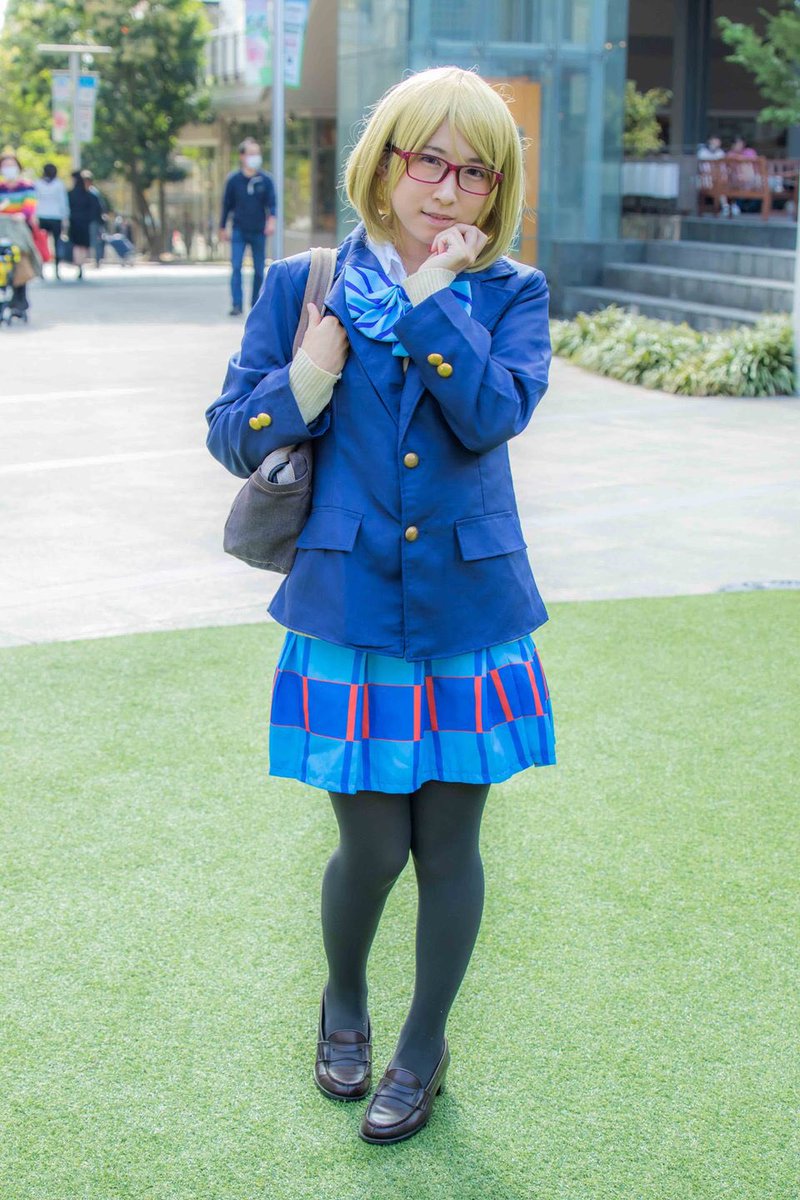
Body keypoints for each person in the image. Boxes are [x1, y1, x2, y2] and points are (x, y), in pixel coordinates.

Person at [206, 66, 556, 1146]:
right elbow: (231, 434)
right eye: (428, 159)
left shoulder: (510, 293)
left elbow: (491, 415)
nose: (447, 187)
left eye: (474, 172)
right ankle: (344, 999)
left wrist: (432, 297)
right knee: (370, 851)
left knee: (449, 849)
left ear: (496, 191)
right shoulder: (305, 284)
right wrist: (310, 373)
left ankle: (421, 1046)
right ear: (385, 160)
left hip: (467, 608)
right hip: (347, 605)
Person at [218, 137, 276, 316]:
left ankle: (255, 304)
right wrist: (222, 227)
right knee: (236, 267)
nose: (255, 157)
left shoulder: (265, 180)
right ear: (242, 156)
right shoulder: (234, 180)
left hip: (259, 230)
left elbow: (272, 205)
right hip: (239, 230)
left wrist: (271, 221)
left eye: (257, 153)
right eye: (251, 153)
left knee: (259, 270)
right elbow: (226, 205)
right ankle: (237, 304)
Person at [0, 147, 42, 316]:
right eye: (5, 165)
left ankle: (19, 300)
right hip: (1, 228)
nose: (8, 168)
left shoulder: (27, 186)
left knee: (20, 258)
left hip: (18, 229)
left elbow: (29, 207)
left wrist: (21, 215)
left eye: (11, 165)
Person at [34, 162, 69, 279]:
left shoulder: (38, 184)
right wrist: (65, 217)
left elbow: (34, 200)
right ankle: (56, 270)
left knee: (41, 244)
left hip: (42, 216)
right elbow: (63, 202)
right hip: (55, 217)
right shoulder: (59, 184)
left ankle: (42, 270)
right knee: (56, 243)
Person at [68, 170, 102, 280]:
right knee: (83, 245)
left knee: (77, 245)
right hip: (85, 222)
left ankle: (79, 264)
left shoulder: (71, 194)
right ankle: (81, 264)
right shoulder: (89, 195)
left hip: (76, 222)